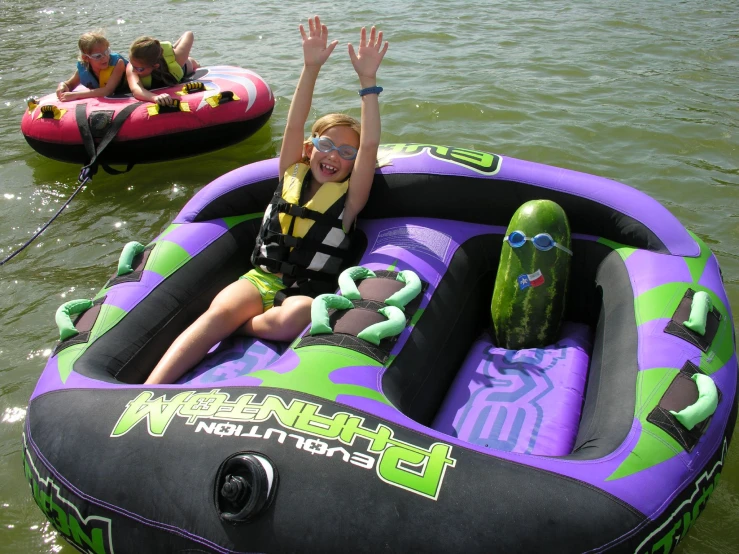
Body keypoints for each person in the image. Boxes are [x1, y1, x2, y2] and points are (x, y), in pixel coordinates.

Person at [145, 15, 389, 384]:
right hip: (261, 277)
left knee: (298, 315)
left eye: (345, 152)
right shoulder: (290, 171)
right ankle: (151, 387)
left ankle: (242, 328)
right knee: (215, 315)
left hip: (305, 291)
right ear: (310, 149)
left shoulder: (351, 199)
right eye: (326, 145)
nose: (334, 156)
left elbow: (370, 144)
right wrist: (311, 67)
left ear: (354, 164)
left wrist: (367, 82)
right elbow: (294, 122)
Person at [126, 31, 200, 105]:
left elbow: (189, 34)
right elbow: (136, 90)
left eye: (139, 69)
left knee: (190, 62)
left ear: (155, 66)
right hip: (160, 69)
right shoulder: (131, 68)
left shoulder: (177, 57)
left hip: (182, 68)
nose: (134, 70)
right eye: (133, 65)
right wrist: (155, 97)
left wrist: (173, 49)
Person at [56, 30, 128, 101]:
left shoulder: (118, 63)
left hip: (127, 92)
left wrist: (76, 95)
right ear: (86, 58)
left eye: (107, 52)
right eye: (98, 56)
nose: (105, 58)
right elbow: (70, 84)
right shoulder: (84, 67)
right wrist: (62, 85)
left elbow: (108, 91)